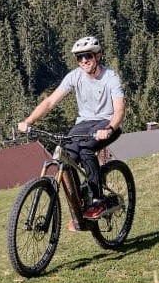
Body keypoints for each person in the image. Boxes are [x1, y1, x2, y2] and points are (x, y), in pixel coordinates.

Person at [18, 34, 125, 219]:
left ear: (98, 56)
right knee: (65, 157)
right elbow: (50, 102)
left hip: (106, 122)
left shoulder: (111, 77)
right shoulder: (74, 76)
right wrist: (29, 121)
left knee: (85, 151)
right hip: (83, 124)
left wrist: (109, 129)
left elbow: (119, 110)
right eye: (80, 58)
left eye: (88, 56)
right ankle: (79, 204)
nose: (84, 61)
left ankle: (97, 200)